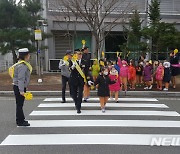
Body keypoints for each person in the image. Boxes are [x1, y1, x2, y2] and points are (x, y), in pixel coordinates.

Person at [13, 48, 32, 126]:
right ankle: (20, 121)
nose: (29, 56)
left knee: (19, 104)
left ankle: (21, 119)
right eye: (28, 55)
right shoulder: (22, 66)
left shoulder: (19, 63)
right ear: (25, 56)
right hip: (19, 87)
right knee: (19, 105)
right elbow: (21, 79)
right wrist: (21, 90)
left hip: (17, 86)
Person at [69, 50, 92, 114]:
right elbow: (69, 70)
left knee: (80, 94)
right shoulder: (72, 61)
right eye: (78, 54)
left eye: (80, 55)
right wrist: (73, 66)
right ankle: (76, 103)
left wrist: (89, 79)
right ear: (75, 55)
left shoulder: (84, 62)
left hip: (81, 81)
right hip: (73, 80)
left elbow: (87, 72)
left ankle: (78, 107)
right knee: (73, 94)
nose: (79, 56)